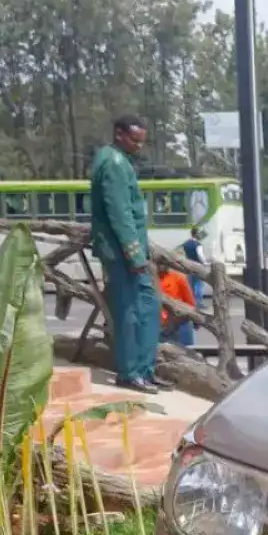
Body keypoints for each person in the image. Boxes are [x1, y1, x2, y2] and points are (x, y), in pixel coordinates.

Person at [90, 115, 159, 393]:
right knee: (129, 312)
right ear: (119, 134)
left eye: (142, 140)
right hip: (122, 255)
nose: (139, 146)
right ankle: (130, 373)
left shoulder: (120, 161)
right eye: (134, 140)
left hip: (131, 254)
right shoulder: (113, 164)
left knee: (149, 307)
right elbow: (120, 215)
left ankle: (145, 370)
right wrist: (135, 255)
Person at [158, 261, 197, 347]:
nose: (161, 265)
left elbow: (189, 302)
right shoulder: (149, 279)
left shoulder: (177, 278)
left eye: (163, 262)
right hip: (155, 324)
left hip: (174, 324)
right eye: (158, 263)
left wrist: (194, 319)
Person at [180, 224, 207, 303]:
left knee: (190, 285)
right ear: (196, 234)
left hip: (188, 265)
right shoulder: (198, 244)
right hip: (197, 266)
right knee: (198, 284)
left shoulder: (186, 243)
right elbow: (200, 255)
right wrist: (205, 263)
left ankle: (191, 301)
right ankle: (198, 303)